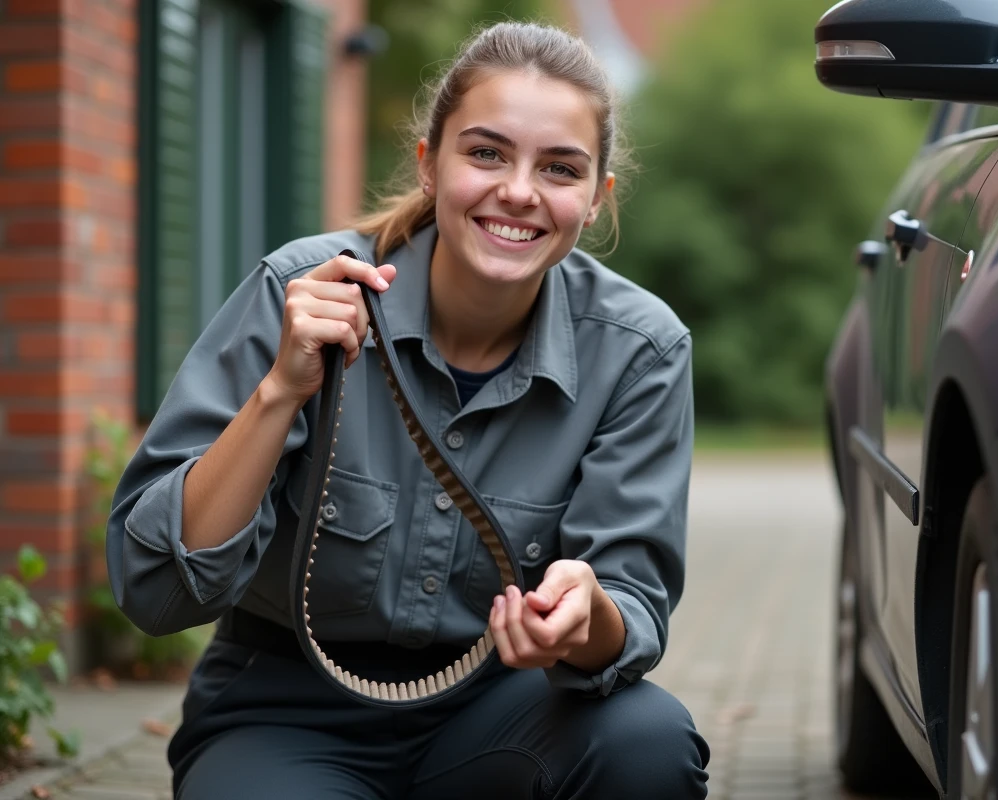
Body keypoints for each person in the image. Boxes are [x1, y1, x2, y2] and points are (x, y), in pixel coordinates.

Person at [105, 19, 710, 800]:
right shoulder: (301, 291)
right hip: (284, 710)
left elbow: (631, 608)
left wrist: (586, 618)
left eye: (560, 168)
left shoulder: (639, 351)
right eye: (486, 152)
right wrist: (281, 389)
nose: (519, 191)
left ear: (595, 199)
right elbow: (155, 592)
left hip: (509, 710)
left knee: (647, 744)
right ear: (430, 164)